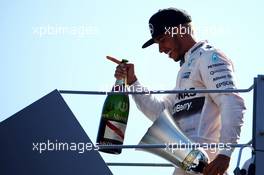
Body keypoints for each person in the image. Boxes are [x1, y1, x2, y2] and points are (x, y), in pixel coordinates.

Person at [114, 8, 246, 175]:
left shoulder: (209, 56)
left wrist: (225, 153)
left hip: (207, 166)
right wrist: (132, 82)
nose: (160, 49)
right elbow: (161, 114)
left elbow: (231, 102)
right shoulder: (184, 71)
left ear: (180, 31)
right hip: (186, 164)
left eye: (162, 40)